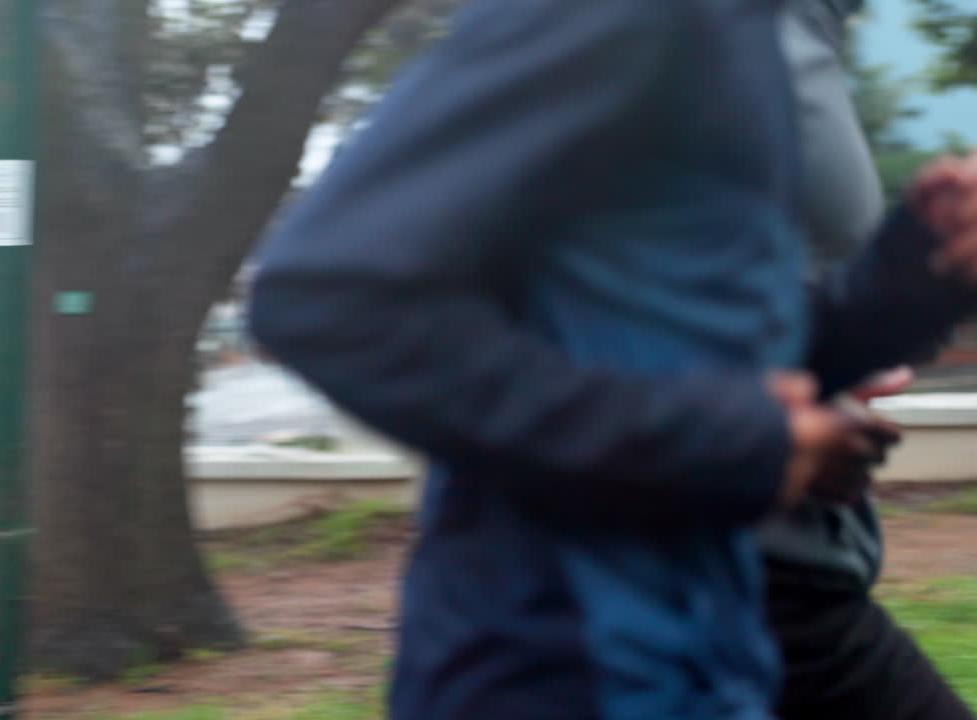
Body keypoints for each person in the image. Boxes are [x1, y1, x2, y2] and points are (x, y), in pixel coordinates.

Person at [248, 1, 977, 718]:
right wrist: (730, 441)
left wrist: (920, 269)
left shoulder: (740, 30)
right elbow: (325, 297)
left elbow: (711, 345)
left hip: (706, 650)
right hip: (563, 660)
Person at [768, 1, 976, 718]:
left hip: (785, 571)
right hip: (698, 577)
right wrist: (729, 431)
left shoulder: (790, 32)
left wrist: (918, 275)